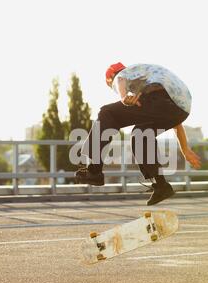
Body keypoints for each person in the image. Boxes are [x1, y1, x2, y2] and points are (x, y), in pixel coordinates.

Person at [75, 62, 201, 205]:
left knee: (107, 113)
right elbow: (176, 122)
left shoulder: (122, 74)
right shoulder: (145, 76)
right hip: (180, 109)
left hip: (162, 99)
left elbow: (120, 80)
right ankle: (161, 186)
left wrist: (123, 98)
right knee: (140, 134)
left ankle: (94, 171)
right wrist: (185, 149)